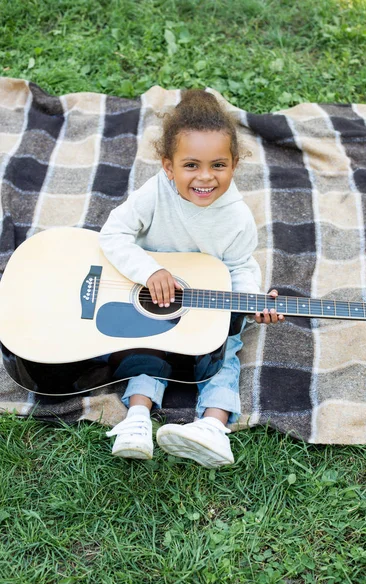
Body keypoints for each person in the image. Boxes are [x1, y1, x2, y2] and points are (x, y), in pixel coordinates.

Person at [99, 89, 284, 468]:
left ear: (235, 164)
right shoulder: (155, 193)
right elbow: (112, 234)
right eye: (191, 165)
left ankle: (213, 428)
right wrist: (150, 271)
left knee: (225, 351)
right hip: (155, 296)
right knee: (149, 351)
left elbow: (240, 265)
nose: (205, 177)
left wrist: (251, 300)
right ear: (168, 167)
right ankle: (136, 419)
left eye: (218, 165)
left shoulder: (237, 217)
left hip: (207, 301)